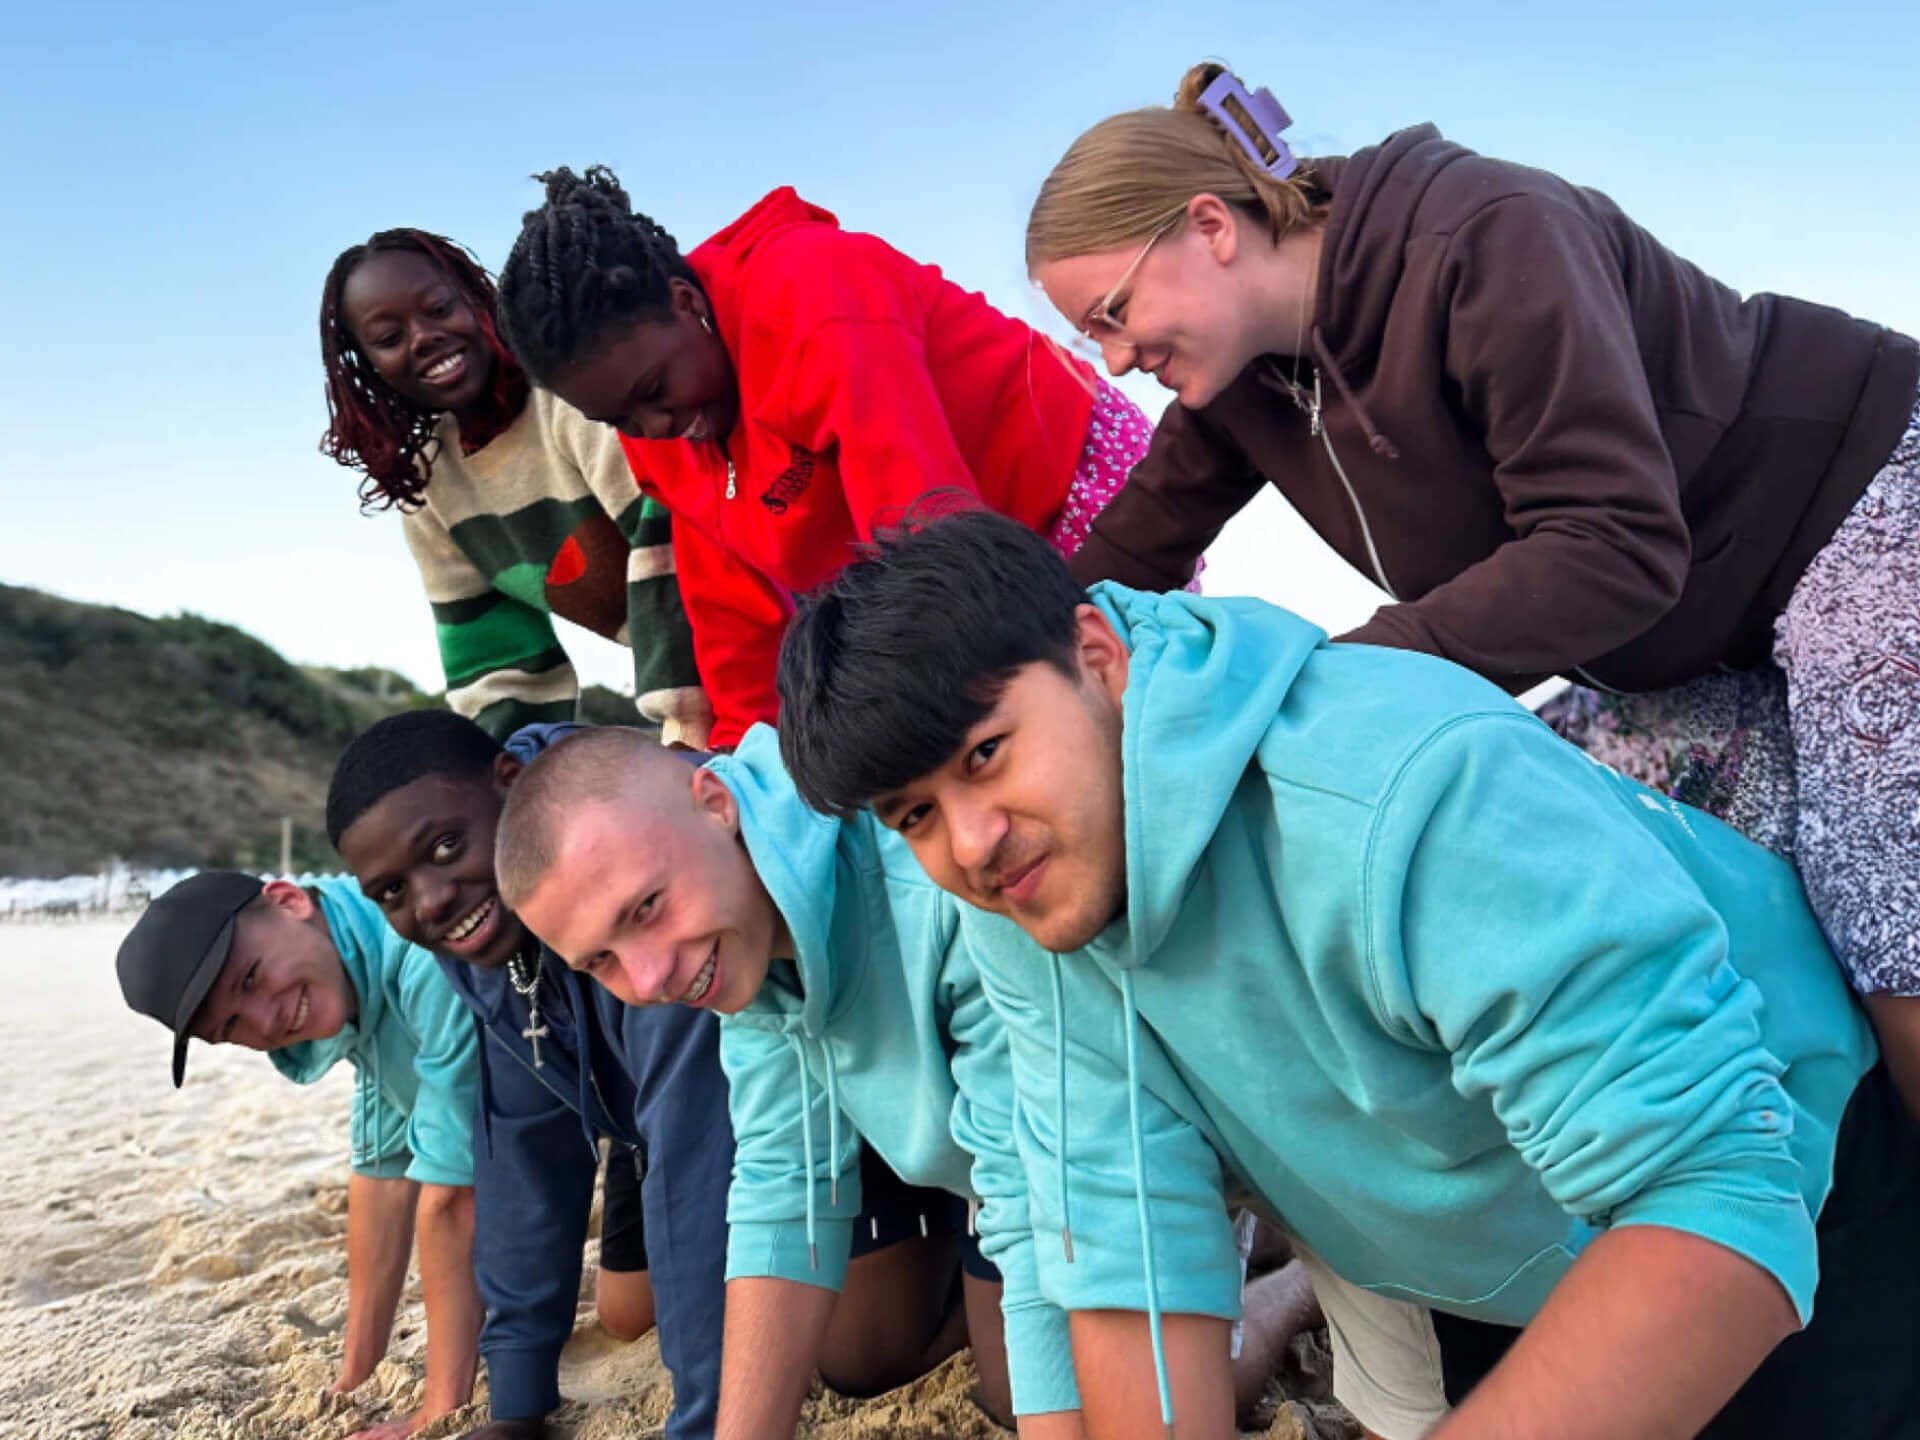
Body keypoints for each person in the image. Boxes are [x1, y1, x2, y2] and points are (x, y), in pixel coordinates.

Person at [775, 510, 1920, 1440]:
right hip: (1497, 1260)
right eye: (917, 814)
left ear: (1097, 659)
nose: (971, 843)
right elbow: (1130, 1253)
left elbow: (1718, 1183)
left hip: (1794, 1183)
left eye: (988, 754)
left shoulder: (1401, 786)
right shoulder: (1023, 905)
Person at [1024, 63, 1920, 1117]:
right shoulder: (1248, 381)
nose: (1118, 359)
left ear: (1211, 225)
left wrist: (1322, 682)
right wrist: (994, 670)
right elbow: (1125, 559)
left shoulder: (1486, 237)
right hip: (1711, 638)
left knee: (1882, 899)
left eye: (1114, 313)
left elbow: (1615, 544)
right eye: (1095, 335)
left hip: (1868, 499)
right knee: (1621, 885)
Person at [327, 711, 985, 1439]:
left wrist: (700, 1421)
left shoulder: (667, 883)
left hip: (960, 1123)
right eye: (390, 891)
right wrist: (516, 1404)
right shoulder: (500, 945)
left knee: (921, 1353)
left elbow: (700, 1156)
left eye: (446, 846)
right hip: (801, 1120)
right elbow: (528, 1151)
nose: (430, 899)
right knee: (684, 1321)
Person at [492, 165, 1162, 749]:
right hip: (946, 559)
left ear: (686, 302)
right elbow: (734, 626)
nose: (656, 427)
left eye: (655, 392)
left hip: (1067, 480)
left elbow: (926, 523)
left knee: (1109, 724)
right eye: (619, 421)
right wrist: (747, 765)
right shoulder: (659, 440)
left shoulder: (812, 292)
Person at [116, 871, 482, 1440]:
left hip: (636, 1092)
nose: (266, 1021)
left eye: (252, 978)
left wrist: (438, 1411)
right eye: (231, 1026)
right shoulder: (356, 986)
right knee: (625, 1312)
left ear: (287, 902)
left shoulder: (412, 940)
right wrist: (352, 1380)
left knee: (625, 1313)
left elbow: (455, 1197)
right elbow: (382, 1174)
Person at [319, 229, 709, 745]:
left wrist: (685, 729)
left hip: (762, 637)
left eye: (438, 308)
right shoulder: (430, 488)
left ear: (478, 296)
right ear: (369, 372)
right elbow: (496, 666)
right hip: (700, 692)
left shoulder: (567, 399)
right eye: (389, 339)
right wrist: (508, 780)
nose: (422, 336)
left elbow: (675, 549)